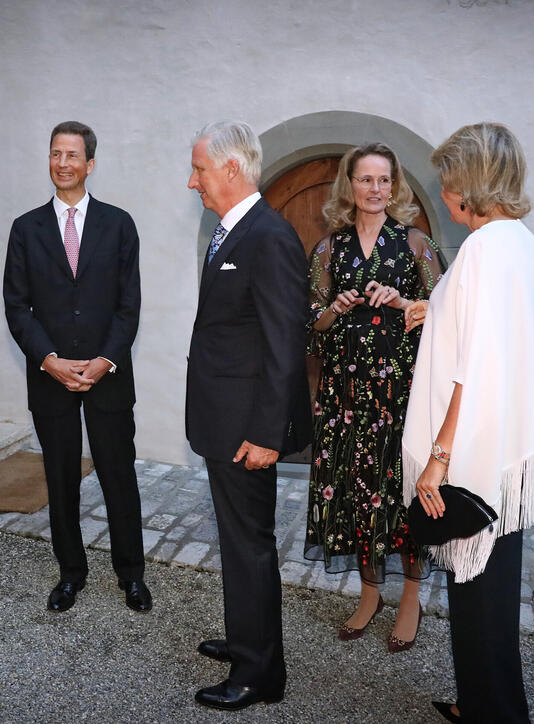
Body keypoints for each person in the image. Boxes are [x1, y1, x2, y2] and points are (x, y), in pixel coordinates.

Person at [402, 122, 534, 723]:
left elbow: (473, 368)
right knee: (486, 595)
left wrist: (438, 459)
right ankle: (484, 702)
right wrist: (431, 308)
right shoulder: (521, 243)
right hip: (504, 452)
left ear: (471, 184)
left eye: (447, 182)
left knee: (481, 595)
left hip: (472, 455)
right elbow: (485, 330)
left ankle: (494, 713)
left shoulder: (484, 249)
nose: (442, 194)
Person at [185, 121, 310, 711]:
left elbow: (285, 345)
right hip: (225, 419)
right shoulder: (231, 231)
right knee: (236, 543)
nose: (194, 182)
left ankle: (259, 675)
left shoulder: (269, 237)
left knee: (249, 546)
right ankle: (246, 642)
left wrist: (266, 434)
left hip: (245, 430)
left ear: (232, 169)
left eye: (200, 170)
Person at [303, 143, 445, 651]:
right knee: (356, 494)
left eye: (384, 180)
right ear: (350, 185)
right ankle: (369, 594)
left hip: (400, 397)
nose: (375, 189)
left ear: (395, 186)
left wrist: (405, 300)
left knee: (402, 495)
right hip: (345, 399)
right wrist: (336, 308)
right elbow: (311, 327)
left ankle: (411, 597)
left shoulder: (415, 244)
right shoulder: (329, 249)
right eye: (365, 179)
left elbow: (446, 314)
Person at [3, 121, 150, 613]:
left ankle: (132, 573)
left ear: (89, 163)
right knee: (60, 476)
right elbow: (16, 306)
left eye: (72, 155)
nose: (62, 163)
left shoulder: (119, 223)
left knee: (118, 474)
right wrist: (50, 361)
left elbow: (129, 304)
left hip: (108, 374)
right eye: (55, 154)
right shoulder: (26, 229)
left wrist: (105, 360)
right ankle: (70, 573)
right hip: (50, 378)